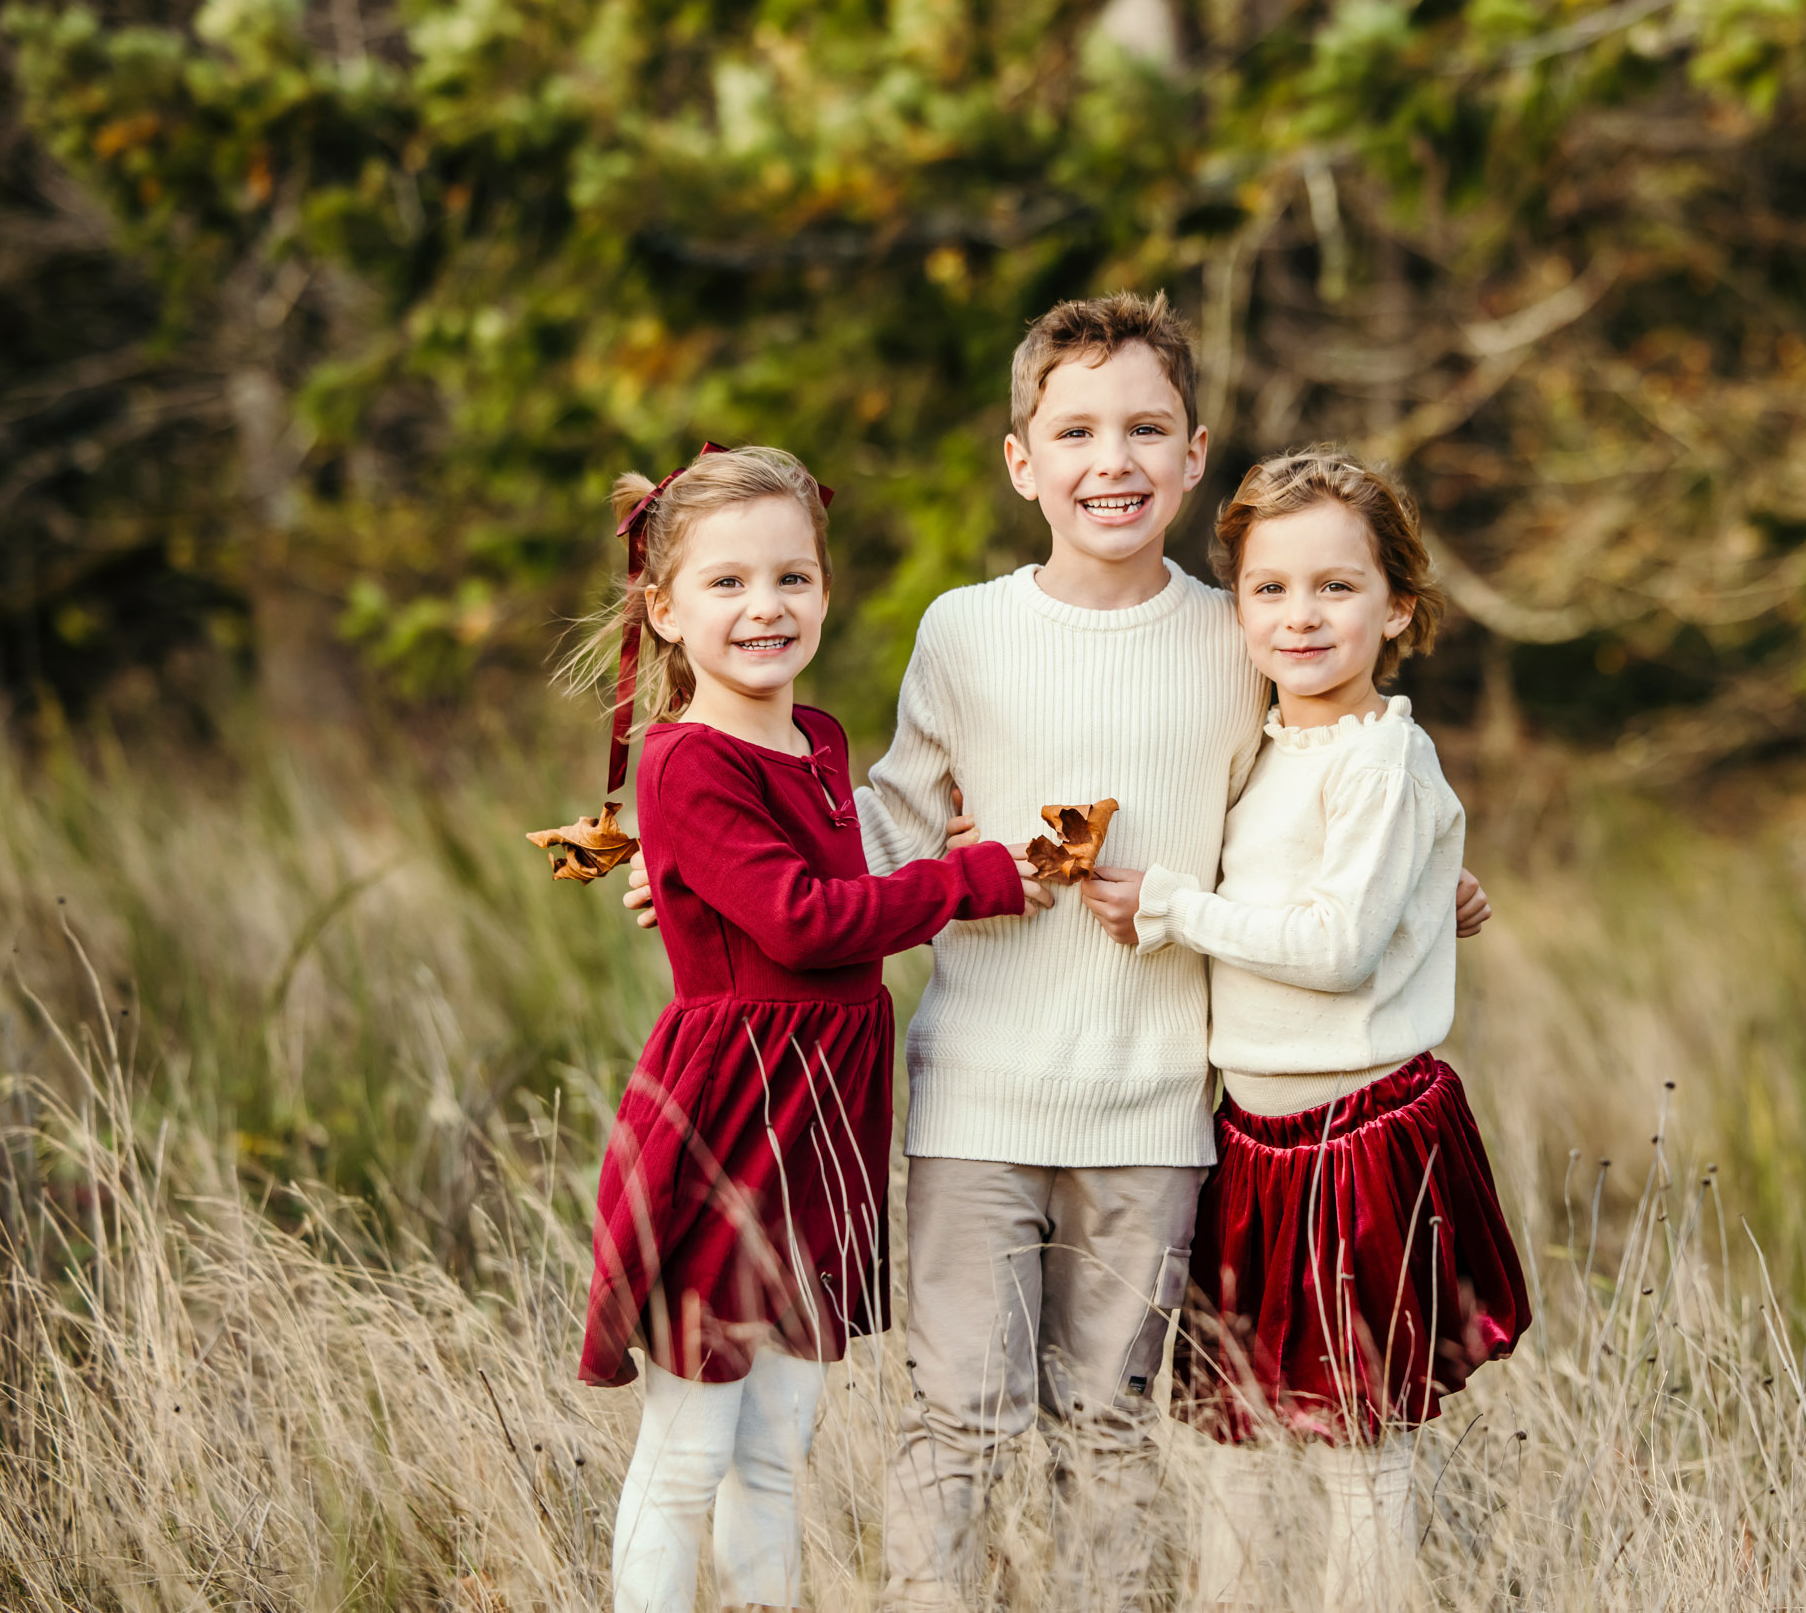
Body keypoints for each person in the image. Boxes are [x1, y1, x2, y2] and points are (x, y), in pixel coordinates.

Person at [623, 295, 1489, 1609]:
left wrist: (1433, 874)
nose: (1113, 460)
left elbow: (1297, 810)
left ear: (1194, 453)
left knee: (1109, 1428)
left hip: (1156, 1110)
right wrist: (699, 860)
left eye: (1146, 428)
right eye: (1076, 430)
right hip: (977, 1093)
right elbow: (891, 821)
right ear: (1023, 459)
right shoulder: (965, 629)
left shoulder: (1235, 635)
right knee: (960, 1420)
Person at [567, 443, 1034, 1613]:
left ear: (826, 588)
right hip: (732, 1114)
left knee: (777, 1443)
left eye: (791, 577)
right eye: (725, 584)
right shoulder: (682, 760)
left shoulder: (819, 739)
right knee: (688, 1453)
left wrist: (941, 847)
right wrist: (968, 879)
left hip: (821, 1115)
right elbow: (800, 919)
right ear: (663, 609)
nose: (764, 606)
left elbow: (839, 861)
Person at [1118, 450, 1531, 1611]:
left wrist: (1168, 907)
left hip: (1358, 1136)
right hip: (1250, 1137)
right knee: (1231, 1436)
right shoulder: (1254, 737)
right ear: (1235, 603)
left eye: (1336, 588)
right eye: (1269, 588)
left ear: (1398, 603)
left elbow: (1337, 943)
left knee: (1359, 1443)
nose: (1300, 615)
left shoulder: (1383, 755)